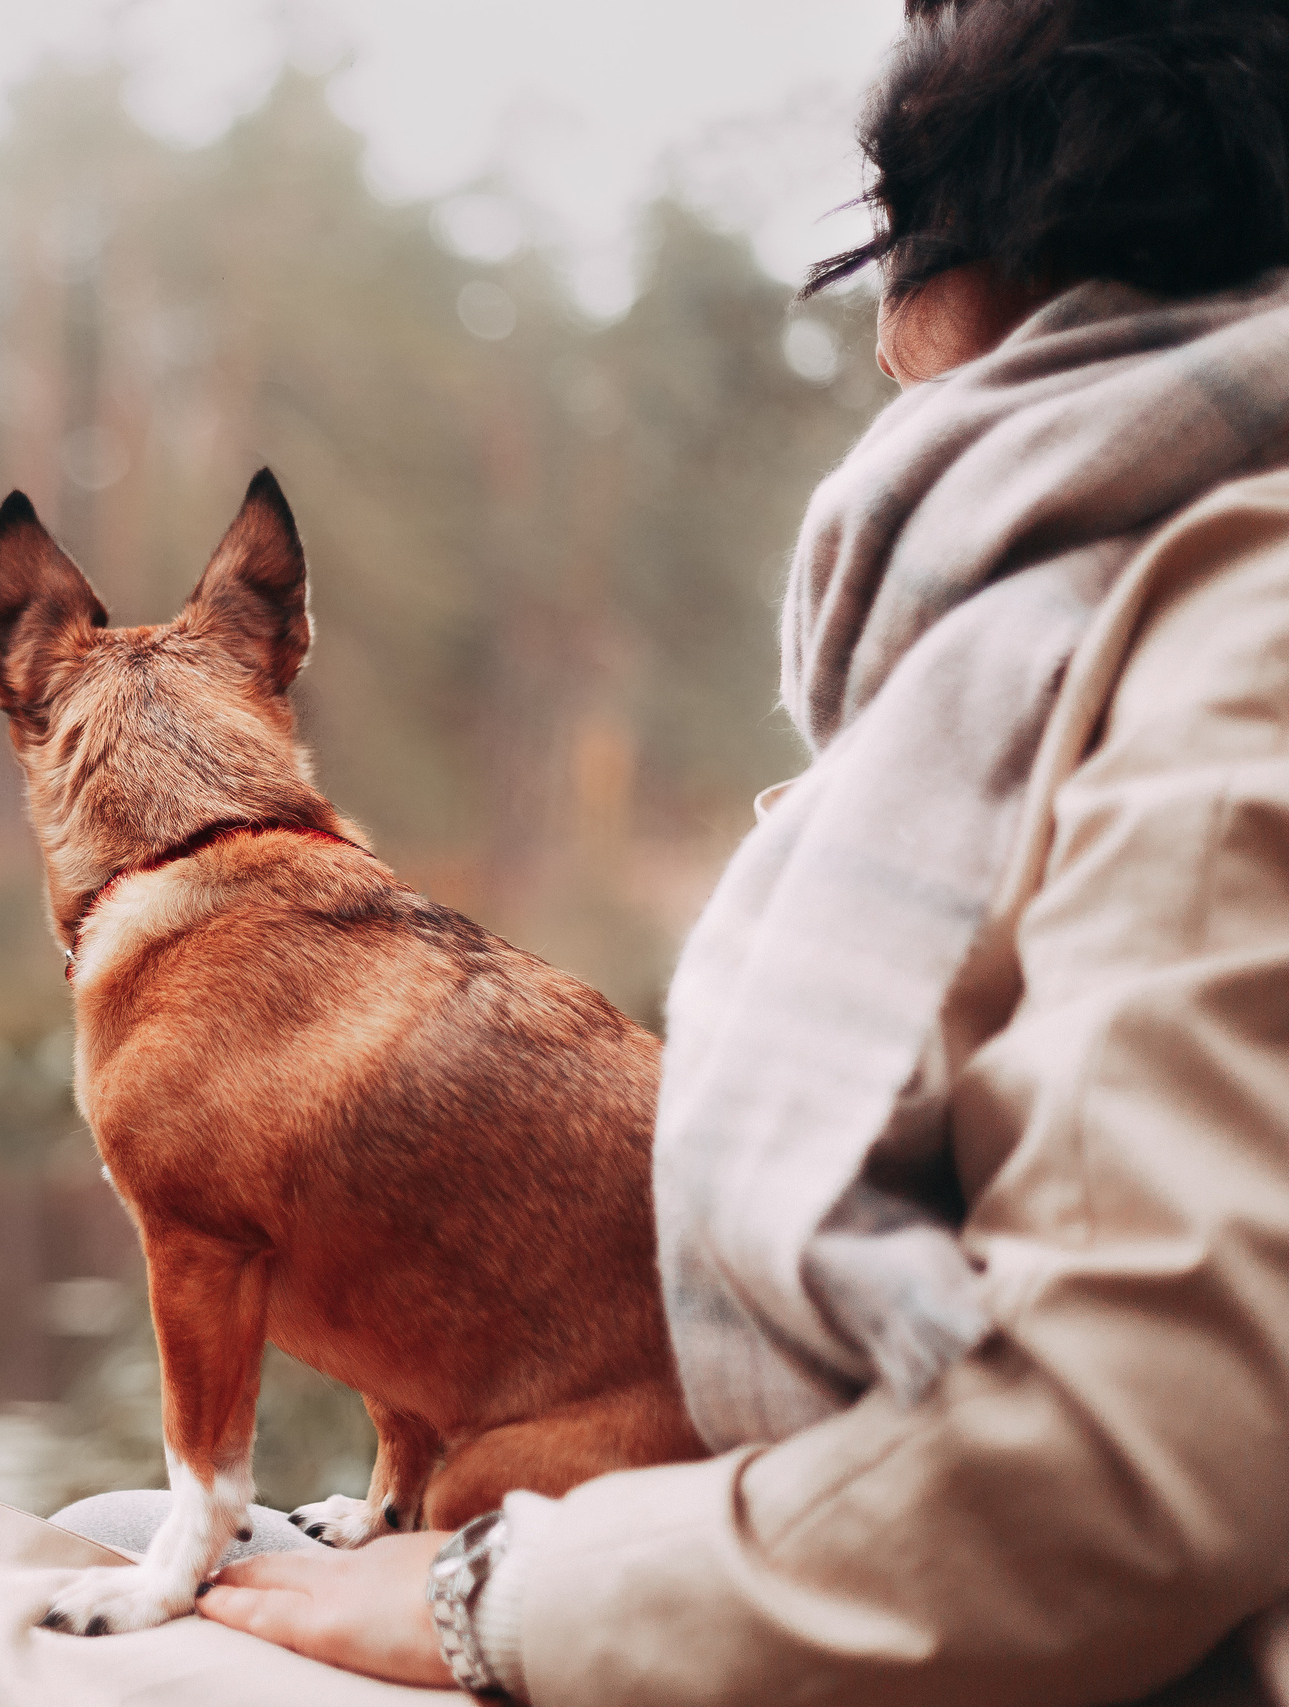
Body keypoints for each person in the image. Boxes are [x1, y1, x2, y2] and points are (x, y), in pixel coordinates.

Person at [92, 1, 1289, 1699]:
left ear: (1047, 236)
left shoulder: (1241, 635)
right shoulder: (1130, 613)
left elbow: (1123, 1473)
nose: (880, 345)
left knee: (34, 1620)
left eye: (895, 242)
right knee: (93, 1533)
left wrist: (486, 1607)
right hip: (909, 1566)